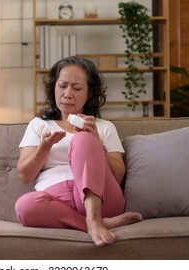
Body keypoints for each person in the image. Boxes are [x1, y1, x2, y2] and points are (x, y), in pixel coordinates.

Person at [15, 56, 143, 246]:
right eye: (62, 86)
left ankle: (94, 218)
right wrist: (45, 147)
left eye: (76, 88)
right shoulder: (39, 125)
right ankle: (97, 224)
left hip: (103, 199)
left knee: (83, 138)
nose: (67, 93)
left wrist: (96, 143)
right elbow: (25, 175)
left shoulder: (103, 127)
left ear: (89, 93)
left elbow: (116, 177)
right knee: (24, 206)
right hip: (57, 202)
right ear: (54, 88)